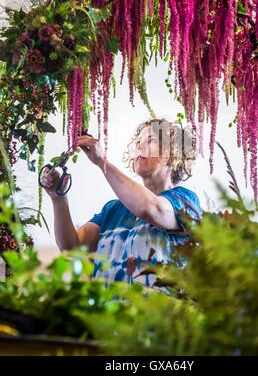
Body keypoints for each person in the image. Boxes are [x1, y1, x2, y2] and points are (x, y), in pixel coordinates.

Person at [41, 118, 202, 292]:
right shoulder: (113, 209)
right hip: (108, 316)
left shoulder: (185, 200)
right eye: (138, 141)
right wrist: (58, 198)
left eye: (151, 140)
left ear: (173, 155)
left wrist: (102, 162)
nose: (139, 146)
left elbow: (150, 209)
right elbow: (71, 248)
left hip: (157, 317)